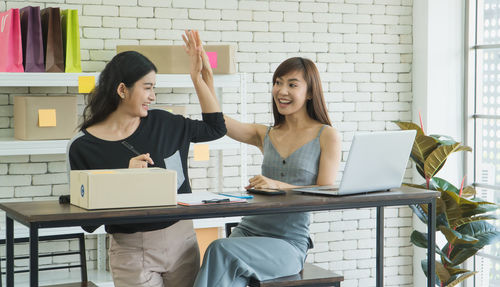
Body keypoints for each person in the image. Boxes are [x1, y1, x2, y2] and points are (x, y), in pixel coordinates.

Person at [67, 30, 226, 287]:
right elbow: (86, 221)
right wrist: (123, 179)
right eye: (148, 88)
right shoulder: (83, 147)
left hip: (181, 240)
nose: (153, 96)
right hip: (130, 251)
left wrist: (199, 77)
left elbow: (215, 128)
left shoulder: (165, 123)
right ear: (122, 89)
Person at [193, 55, 342, 286]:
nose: (281, 91)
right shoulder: (266, 134)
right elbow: (217, 122)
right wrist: (202, 80)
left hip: (288, 244)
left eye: (292, 84)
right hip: (247, 232)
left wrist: (278, 185)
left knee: (218, 249)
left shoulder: (327, 135)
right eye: (278, 82)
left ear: (310, 92)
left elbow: (326, 191)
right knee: (226, 267)